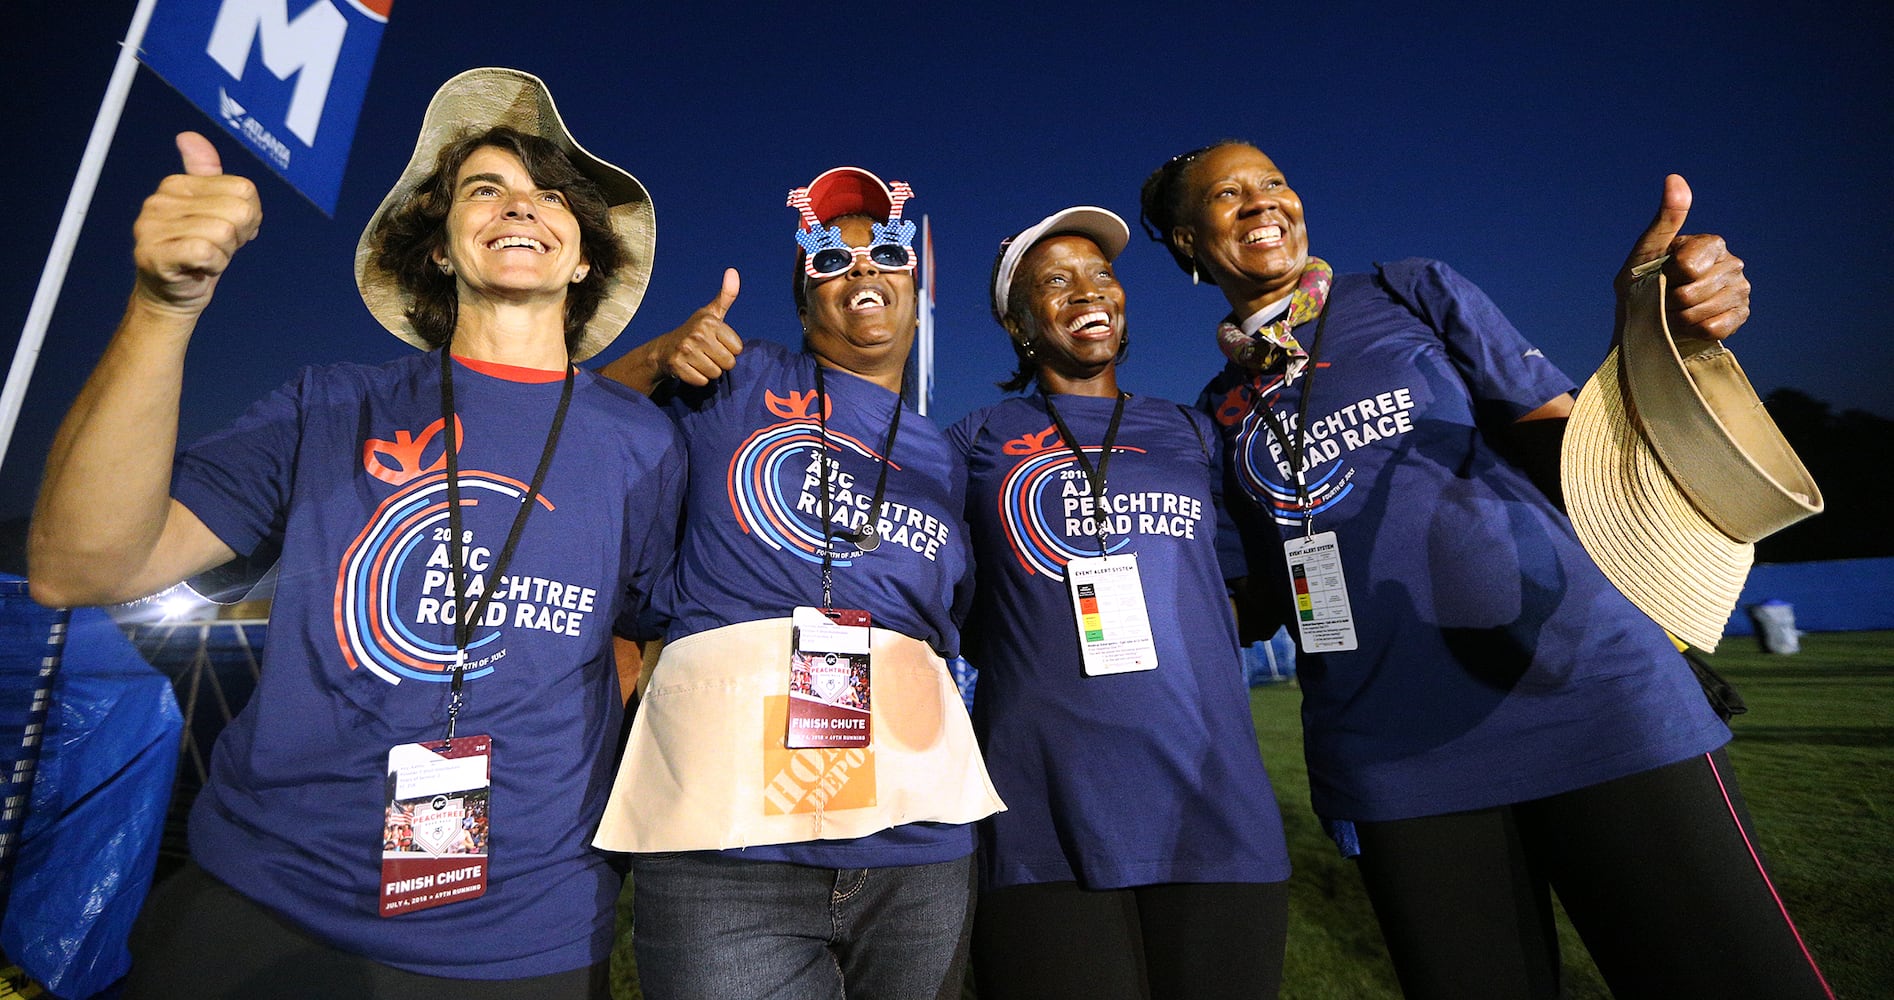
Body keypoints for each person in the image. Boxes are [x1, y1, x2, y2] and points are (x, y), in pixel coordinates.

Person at [28, 68, 684, 998]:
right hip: (258, 906)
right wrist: (163, 307)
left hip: (525, 940)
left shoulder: (648, 445)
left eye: (551, 197)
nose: (518, 207)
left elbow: (661, 631)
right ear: (441, 250)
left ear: (583, 259)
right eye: (482, 189)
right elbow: (75, 566)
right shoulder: (329, 404)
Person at [1138, 141, 1834, 999]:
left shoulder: (1407, 291)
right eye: (1227, 194)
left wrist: (1654, 335)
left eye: (1274, 182)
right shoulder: (1217, 414)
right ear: (1183, 242)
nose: (1262, 202)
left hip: (1587, 692)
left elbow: (1572, 450)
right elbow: (1249, 603)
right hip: (1394, 757)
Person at [592, 167, 1003, 1000]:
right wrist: (659, 356)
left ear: (914, 286)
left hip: (915, 836)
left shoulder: (944, 455)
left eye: (886, 252)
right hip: (725, 838)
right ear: (803, 296)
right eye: (830, 261)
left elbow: (956, 614)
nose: (862, 270)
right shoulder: (734, 378)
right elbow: (569, 421)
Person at [948, 207, 1291, 999]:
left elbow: (1239, 594)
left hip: (1210, 803)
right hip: (1040, 816)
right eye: (1055, 282)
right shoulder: (974, 439)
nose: (1087, 292)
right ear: (1019, 321)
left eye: (1102, 274)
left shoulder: (1191, 431)